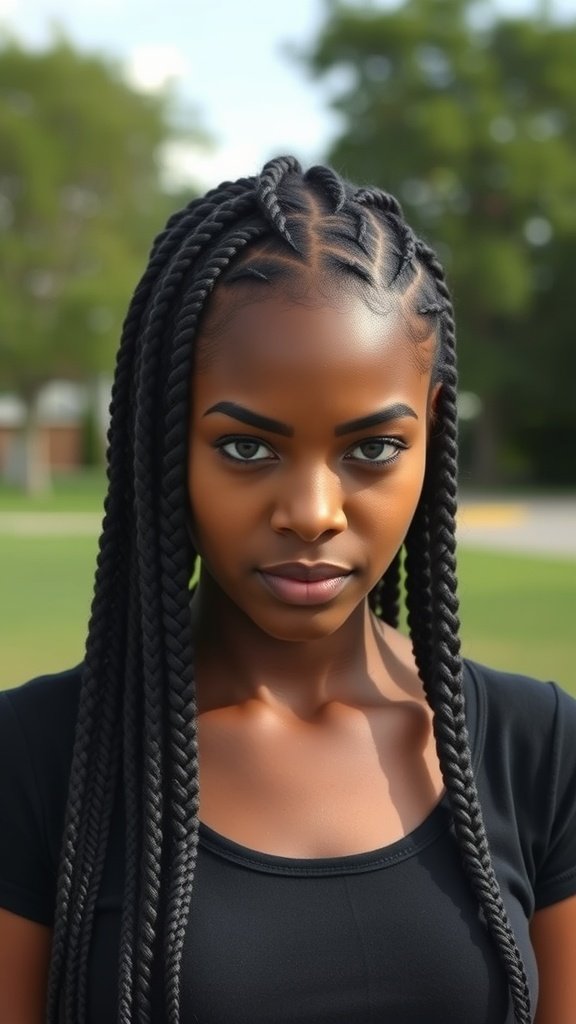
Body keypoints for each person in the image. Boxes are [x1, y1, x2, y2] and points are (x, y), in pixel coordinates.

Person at [0, 156, 574, 1024]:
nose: (312, 514)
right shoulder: (38, 758)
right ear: (161, 442)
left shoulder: (539, 748)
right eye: (246, 448)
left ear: (434, 434)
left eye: (373, 449)